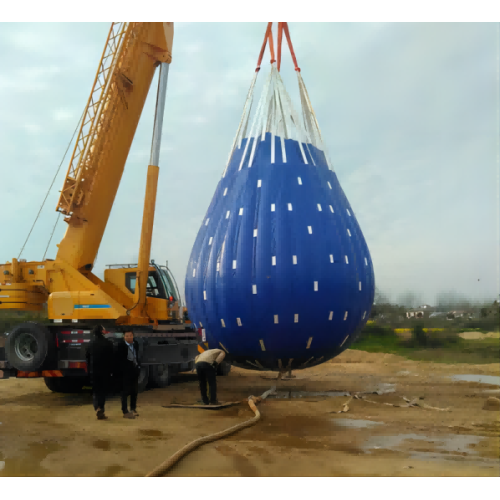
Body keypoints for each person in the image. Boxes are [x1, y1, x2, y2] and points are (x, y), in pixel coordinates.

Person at [85, 324, 114, 420]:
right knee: (102, 391)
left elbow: (87, 357)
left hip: (94, 370)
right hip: (105, 371)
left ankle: (97, 407)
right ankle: (101, 408)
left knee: (96, 391)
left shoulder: (90, 343)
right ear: (102, 331)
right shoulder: (108, 343)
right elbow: (111, 358)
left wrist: (89, 369)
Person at [116, 329, 141, 419]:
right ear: (124, 337)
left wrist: (138, 366)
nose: (129, 337)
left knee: (134, 390)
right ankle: (125, 410)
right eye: (127, 336)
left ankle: (133, 408)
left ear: (133, 336)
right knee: (124, 391)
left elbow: (137, 355)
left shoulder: (136, 344)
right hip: (125, 372)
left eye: (130, 335)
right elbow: (119, 359)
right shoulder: (121, 346)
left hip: (134, 371)